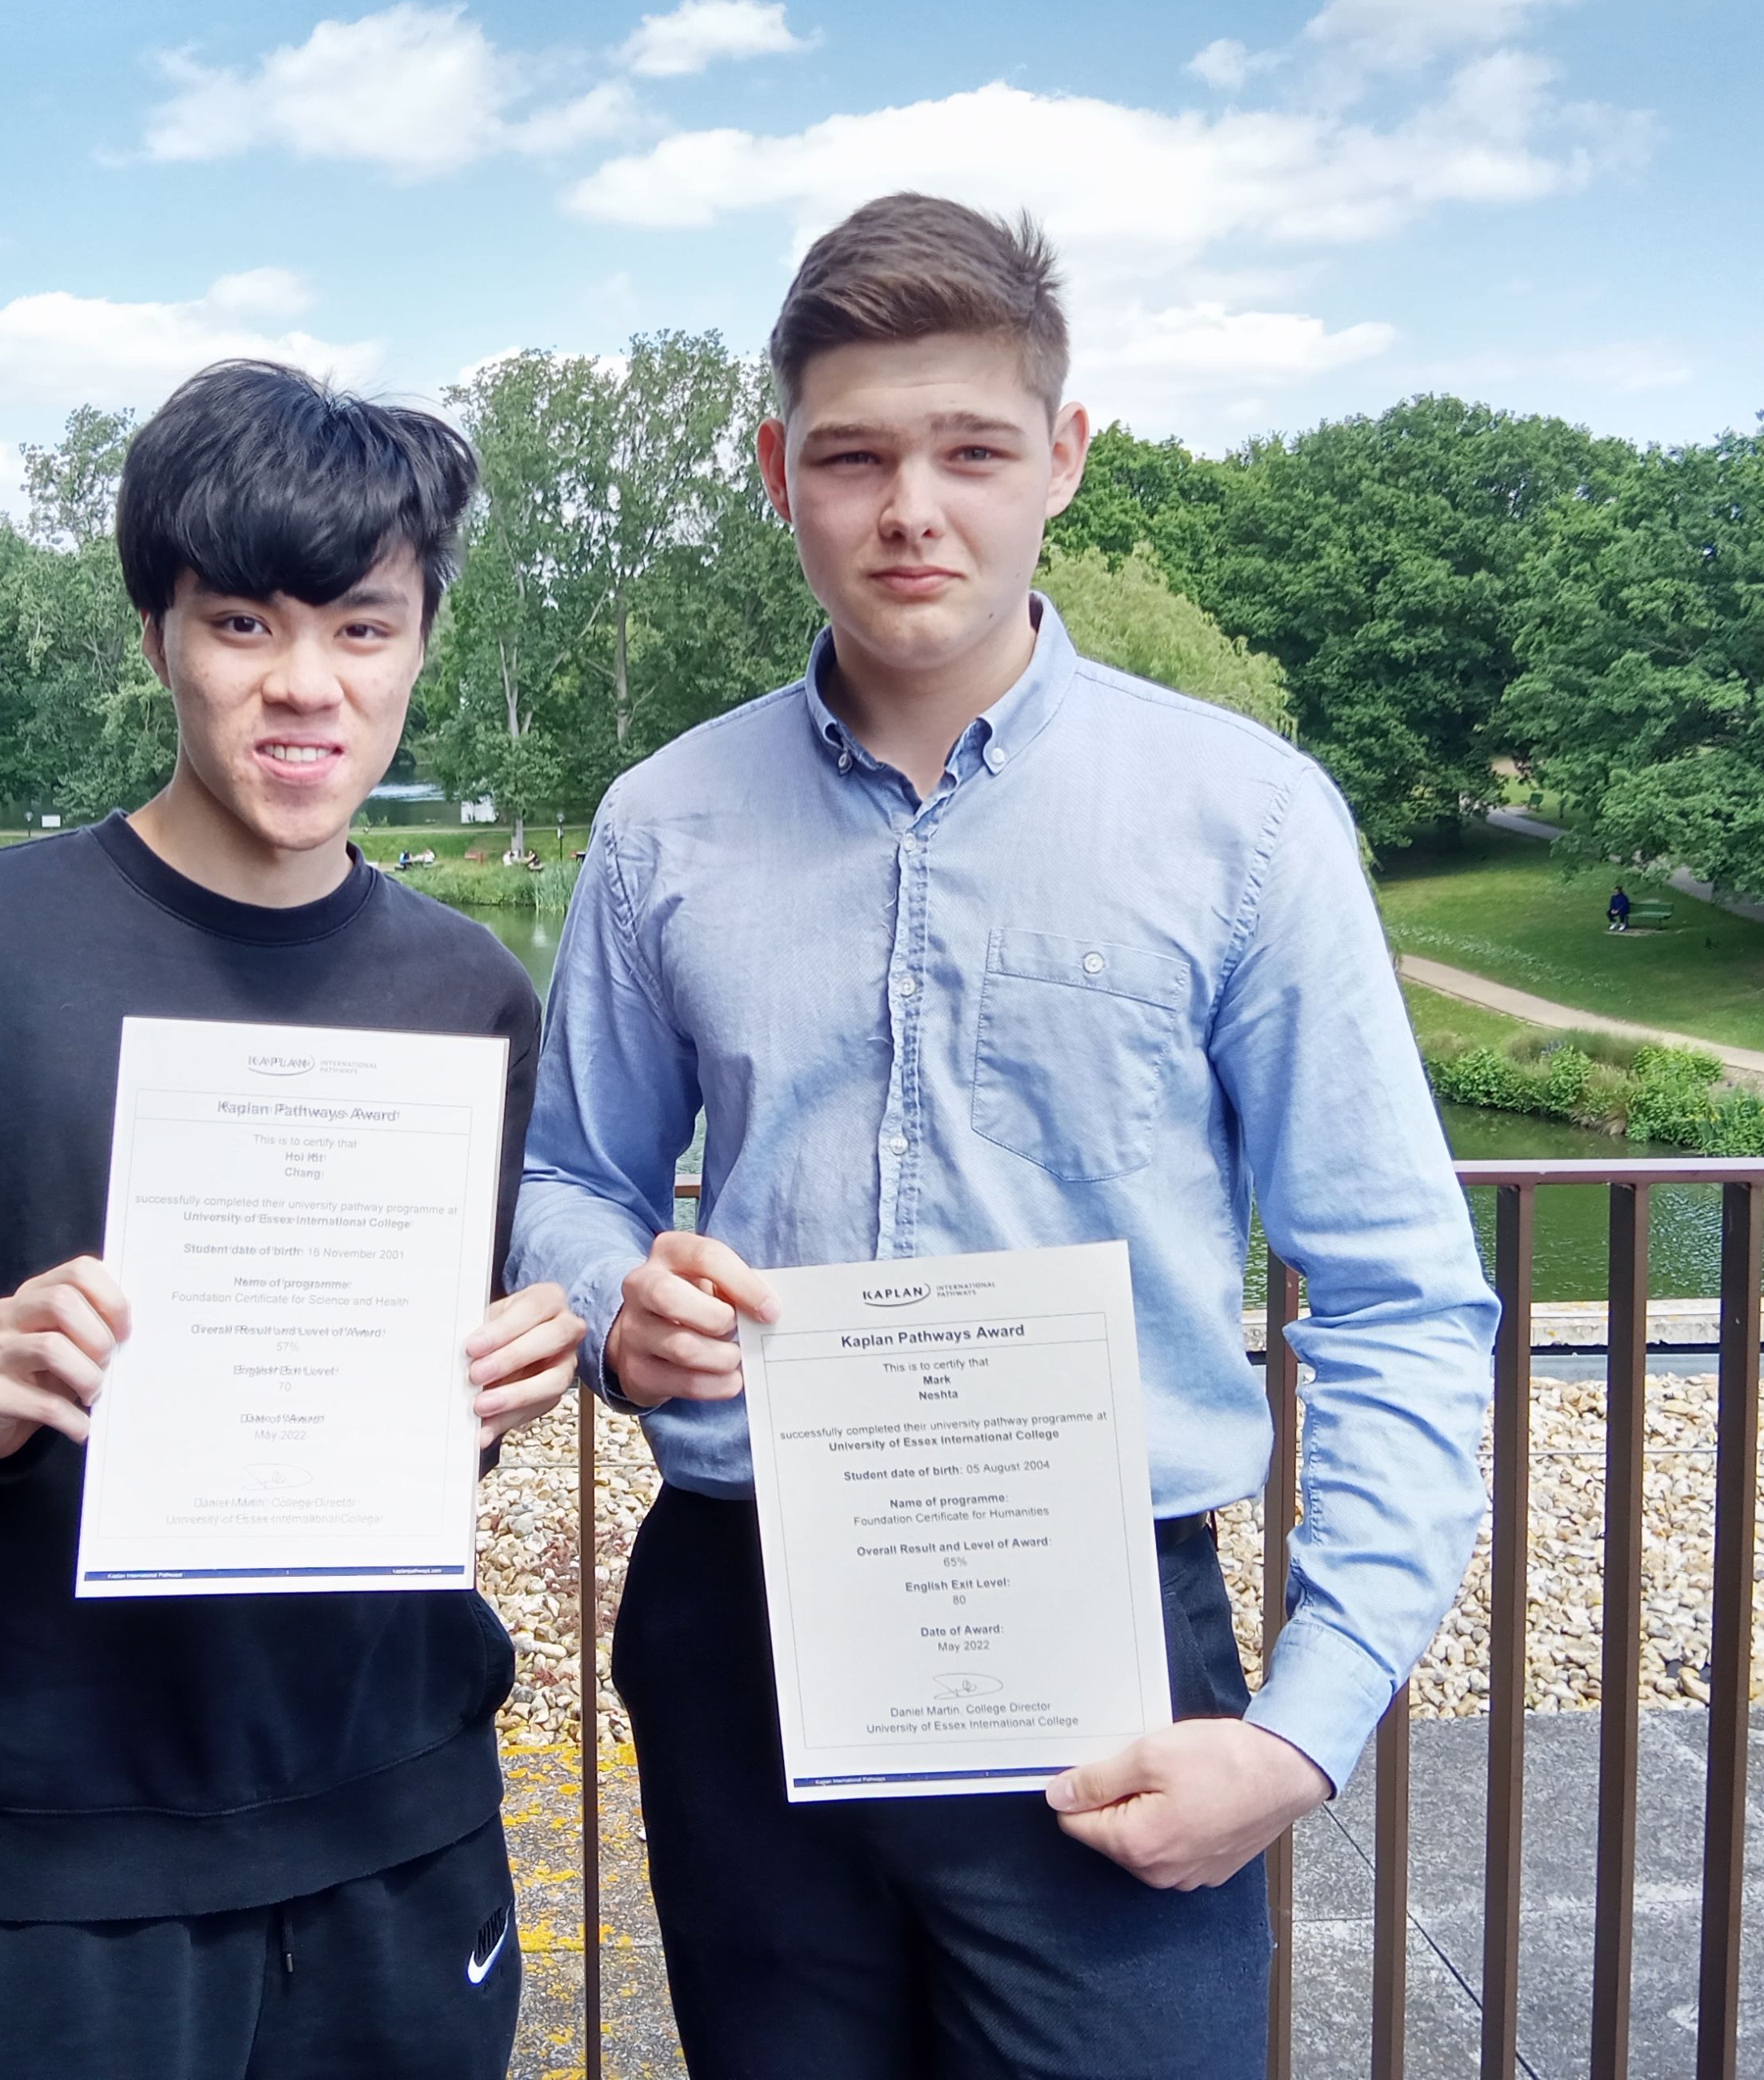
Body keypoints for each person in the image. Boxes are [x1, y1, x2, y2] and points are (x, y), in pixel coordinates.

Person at [511, 196, 1498, 2080]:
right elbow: (572, 1180)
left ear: (1058, 458)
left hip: (1102, 1636)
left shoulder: (1243, 820)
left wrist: (1300, 1728)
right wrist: (606, 1303)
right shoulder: (661, 823)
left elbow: (1393, 1295)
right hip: (744, 1621)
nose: (911, 510)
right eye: (853, 454)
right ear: (774, 471)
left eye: (969, 451)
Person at [0, 362, 588, 2080]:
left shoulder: (468, 991)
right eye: (240, 625)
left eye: (360, 630)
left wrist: (497, 1383)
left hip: (399, 1808)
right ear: (158, 640)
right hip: (77, 1830)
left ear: (420, 645)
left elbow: (431, 1397)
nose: (303, 687)